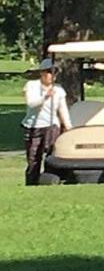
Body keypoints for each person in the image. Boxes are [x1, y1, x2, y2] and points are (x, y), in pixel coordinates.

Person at [22, 58, 72, 186]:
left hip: (51, 125)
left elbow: (62, 109)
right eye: (49, 72)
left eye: (54, 72)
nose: (52, 75)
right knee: (33, 158)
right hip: (33, 125)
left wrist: (69, 127)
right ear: (42, 73)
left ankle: (49, 180)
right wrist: (45, 97)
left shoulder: (59, 90)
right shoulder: (31, 85)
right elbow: (31, 104)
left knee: (51, 153)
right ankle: (32, 182)